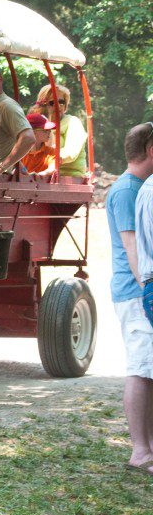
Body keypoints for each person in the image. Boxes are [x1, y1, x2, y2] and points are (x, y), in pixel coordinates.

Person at [106, 122, 153, 475]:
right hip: (136, 293)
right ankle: (140, 450)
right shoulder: (127, 190)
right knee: (140, 369)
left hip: (142, 292)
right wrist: (148, 290)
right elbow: (131, 246)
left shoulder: (139, 187)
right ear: (150, 150)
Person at [28, 84, 88, 177]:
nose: (58, 106)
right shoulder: (38, 122)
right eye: (53, 103)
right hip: (39, 177)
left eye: (61, 102)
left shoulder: (72, 122)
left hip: (68, 178)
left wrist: (48, 159)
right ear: (43, 104)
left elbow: (70, 153)